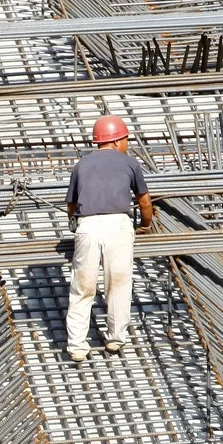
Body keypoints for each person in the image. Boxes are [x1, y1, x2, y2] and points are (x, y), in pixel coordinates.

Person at [62, 113, 153, 364]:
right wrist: (145, 225)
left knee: (82, 288)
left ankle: (77, 346)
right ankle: (115, 338)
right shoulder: (130, 163)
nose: (127, 144)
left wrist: (76, 224)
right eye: (125, 139)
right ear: (115, 141)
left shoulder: (81, 165)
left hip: (88, 227)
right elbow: (145, 202)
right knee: (118, 284)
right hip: (118, 226)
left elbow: (71, 205)